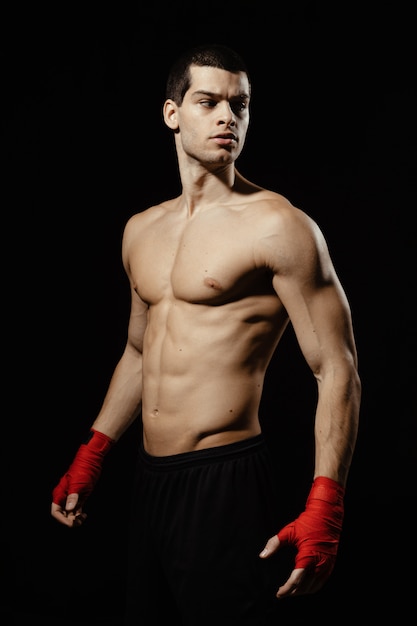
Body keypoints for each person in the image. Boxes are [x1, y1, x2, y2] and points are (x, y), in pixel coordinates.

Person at [51, 43, 361, 625]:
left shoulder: (278, 225)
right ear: (172, 113)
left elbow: (337, 367)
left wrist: (326, 501)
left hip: (226, 481)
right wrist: (94, 451)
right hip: (149, 480)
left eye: (239, 105)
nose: (228, 117)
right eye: (209, 102)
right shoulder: (141, 230)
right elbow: (140, 352)